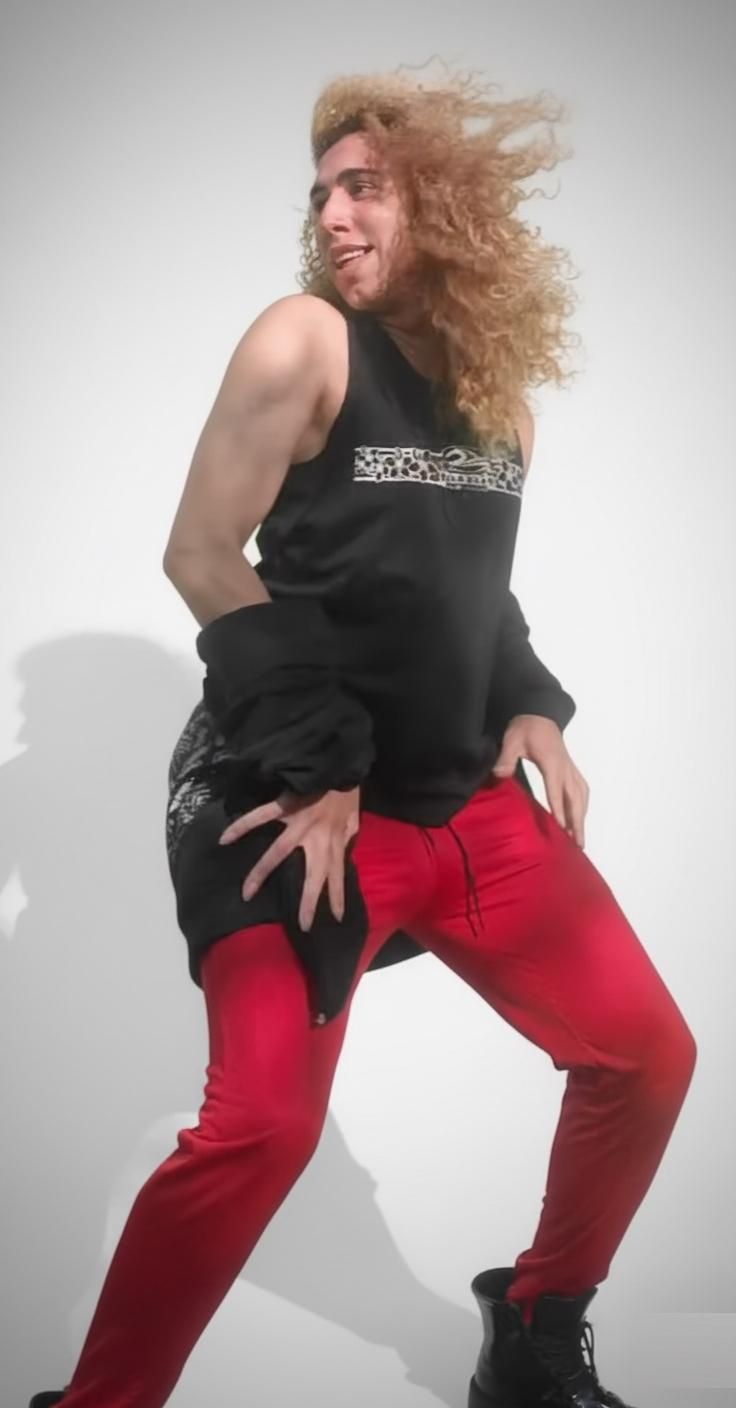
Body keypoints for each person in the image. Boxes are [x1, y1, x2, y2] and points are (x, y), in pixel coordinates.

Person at [30, 64, 696, 1408]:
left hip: (453, 797)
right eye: (323, 194)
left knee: (647, 1055)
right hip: (285, 787)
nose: (332, 216)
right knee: (263, 1127)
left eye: (366, 189)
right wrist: (323, 762)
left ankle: (533, 1335)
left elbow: (467, 588)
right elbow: (202, 554)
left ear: (450, 205)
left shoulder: (499, 396)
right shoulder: (307, 341)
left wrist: (530, 697)